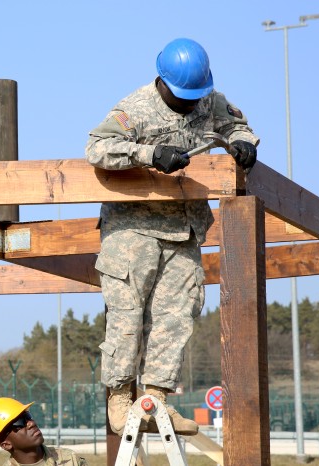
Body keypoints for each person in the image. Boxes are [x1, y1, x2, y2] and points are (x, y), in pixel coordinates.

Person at [85, 38, 259, 436]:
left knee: (176, 317)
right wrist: (148, 155)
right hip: (134, 231)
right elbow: (97, 148)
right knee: (127, 318)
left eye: (194, 97)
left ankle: (157, 400)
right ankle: (120, 399)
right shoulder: (135, 108)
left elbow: (238, 126)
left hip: (184, 230)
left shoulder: (209, 100)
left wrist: (243, 144)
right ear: (162, 82)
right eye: (182, 97)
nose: (189, 103)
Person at [0, 397, 88, 466]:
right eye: (19, 422)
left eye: (28, 416)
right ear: (6, 444)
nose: (31, 423)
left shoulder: (70, 459)